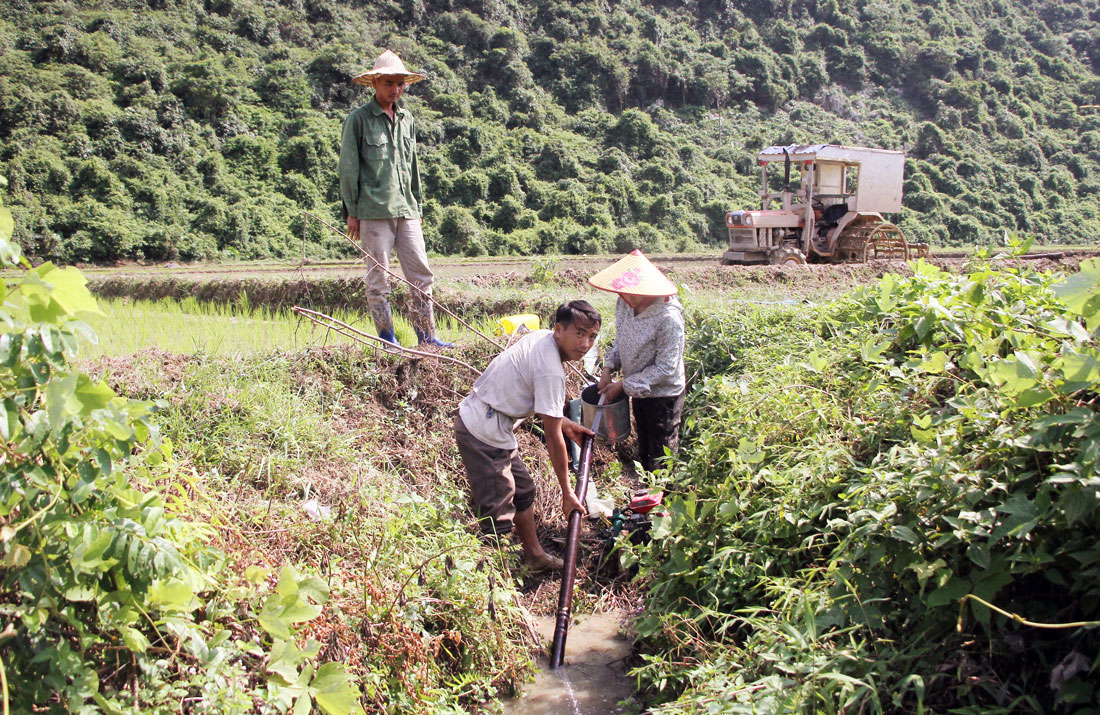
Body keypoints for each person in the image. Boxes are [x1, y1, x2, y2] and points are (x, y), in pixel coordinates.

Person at [453, 301, 601, 572]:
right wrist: (567, 493)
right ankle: (493, 581)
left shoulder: (541, 338)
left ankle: (533, 556)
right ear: (559, 330)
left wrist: (565, 423)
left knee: (523, 491)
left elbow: (531, 396)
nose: (585, 343)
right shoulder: (551, 371)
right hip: (482, 431)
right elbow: (554, 439)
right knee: (498, 512)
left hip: (492, 421)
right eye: (579, 333)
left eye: (592, 336)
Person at [339, 50, 451, 348]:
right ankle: (388, 339)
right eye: (389, 83)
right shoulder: (359, 120)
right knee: (379, 280)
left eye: (400, 84)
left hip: (407, 210)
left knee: (421, 275)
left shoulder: (406, 119)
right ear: (375, 83)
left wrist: (417, 206)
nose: (395, 89)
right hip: (373, 212)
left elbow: (412, 166)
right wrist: (352, 211)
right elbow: (349, 168)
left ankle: (428, 337)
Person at [590, 250, 686, 473]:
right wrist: (609, 367)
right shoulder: (625, 303)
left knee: (663, 455)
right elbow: (620, 338)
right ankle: (645, 494)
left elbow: (666, 367)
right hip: (639, 390)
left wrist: (623, 385)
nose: (625, 297)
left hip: (664, 395)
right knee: (645, 447)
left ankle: (665, 501)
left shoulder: (668, 318)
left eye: (631, 293)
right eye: (622, 293)